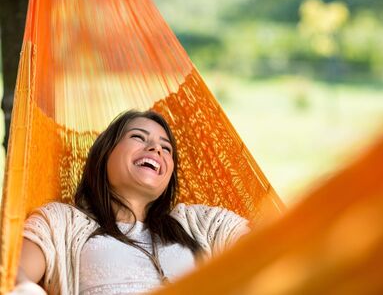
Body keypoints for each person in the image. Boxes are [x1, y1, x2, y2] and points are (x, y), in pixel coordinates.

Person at [12, 110, 249, 295]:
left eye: (166, 148)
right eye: (138, 137)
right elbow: (14, 272)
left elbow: (266, 246)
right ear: (105, 154)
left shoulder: (201, 224)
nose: (156, 148)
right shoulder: (62, 221)